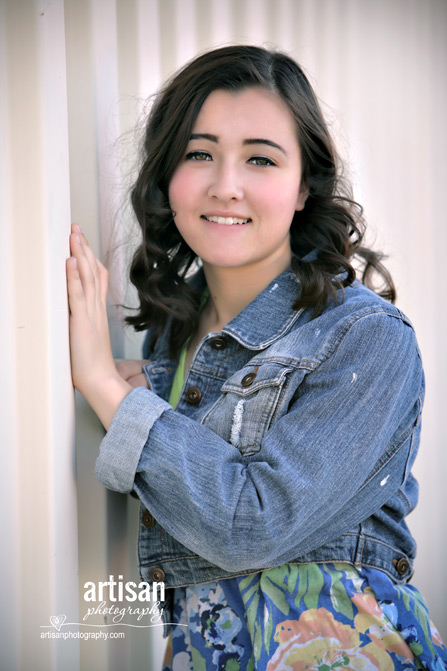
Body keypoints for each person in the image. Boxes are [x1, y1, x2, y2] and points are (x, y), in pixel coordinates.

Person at [66, 45, 447, 670]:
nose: (226, 185)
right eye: (200, 153)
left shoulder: (366, 338)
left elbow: (252, 525)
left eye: (261, 159)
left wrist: (110, 391)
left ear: (304, 190)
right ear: (168, 177)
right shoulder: (170, 346)